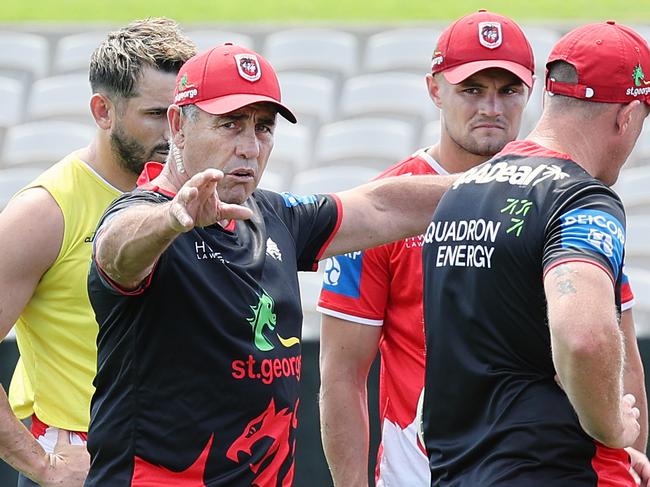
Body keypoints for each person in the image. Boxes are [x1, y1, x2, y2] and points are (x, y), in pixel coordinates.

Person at [84, 43, 455, 486]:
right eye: (230, 124)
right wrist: (171, 220)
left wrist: (507, 180)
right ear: (179, 125)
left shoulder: (274, 215)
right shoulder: (145, 214)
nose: (249, 147)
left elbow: (380, 207)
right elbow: (115, 252)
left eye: (263, 127)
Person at [421, 21, 650, 486]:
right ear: (625, 116)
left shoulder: (462, 191)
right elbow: (583, 336)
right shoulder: (582, 199)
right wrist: (612, 428)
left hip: (457, 473)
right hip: (557, 469)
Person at [317, 10, 539, 486]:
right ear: (435, 89)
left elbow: (612, 339)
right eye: (472, 89)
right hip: (416, 473)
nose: (492, 107)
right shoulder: (378, 209)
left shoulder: (559, 198)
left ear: (531, 91)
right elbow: (342, 373)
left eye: (508, 90)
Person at [0, 18, 196, 486]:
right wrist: (41, 467)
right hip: (84, 462)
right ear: (102, 110)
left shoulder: (192, 195)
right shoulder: (44, 211)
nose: (173, 132)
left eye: (182, 114)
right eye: (155, 113)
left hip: (181, 460)